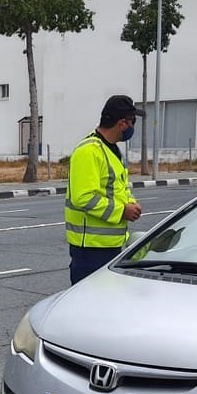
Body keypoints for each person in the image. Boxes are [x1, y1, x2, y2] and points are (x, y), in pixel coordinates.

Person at [65, 95, 145, 284]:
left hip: (111, 245)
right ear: (122, 124)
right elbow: (83, 197)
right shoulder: (89, 151)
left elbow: (118, 188)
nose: (134, 127)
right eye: (133, 122)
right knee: (88, 307)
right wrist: (122, 211)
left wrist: (130, 202)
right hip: (91, 250)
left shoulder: (112, 150)